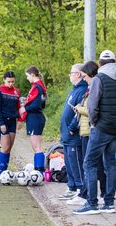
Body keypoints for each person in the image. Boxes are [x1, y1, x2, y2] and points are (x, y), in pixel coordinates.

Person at [74, 50, 116, 215]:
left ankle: (92, 203)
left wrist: (94, 122)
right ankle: (109, 203)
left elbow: (92, 106)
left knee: (89, 163)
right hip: (114, 129)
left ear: (100, 64)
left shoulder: (99, 78)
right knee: (111, 165)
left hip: (101, 128)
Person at [67, 61, 106, 206]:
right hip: (85, 131)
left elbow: (92, 110)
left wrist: (79, 108)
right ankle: (92, 194)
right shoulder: (90, 88)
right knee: (93, 164)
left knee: (92, 164)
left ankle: (91, 196)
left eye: (84, 76)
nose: (83, 79)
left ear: (90, 74)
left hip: (90, 131)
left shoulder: (94, 87)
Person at [58, 63, 88, 201]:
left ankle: (81, 189)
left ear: (77, 74)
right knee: (69, 162)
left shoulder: (82, 90)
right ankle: (71, 187)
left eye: (71, 72)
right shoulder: (74, 89)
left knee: (76, 162)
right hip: (66, 135)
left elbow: (79, 111)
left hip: (73, 134)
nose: (69, 75)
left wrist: (71, 128)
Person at [19, 66, 47, 173]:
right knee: (36, 146)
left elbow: (36, 105)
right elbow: (42, 104)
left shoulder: (36, 87)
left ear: (32, 75)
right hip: (37, 117)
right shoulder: (41, 87)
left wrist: (24, 108)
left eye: (27, 76)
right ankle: (38, 169)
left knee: (37, 147)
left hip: (35, 118)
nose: (27, 78)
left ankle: (40, 171)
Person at [0, 71, 21, 176]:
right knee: (5, 147)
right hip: (3, 120)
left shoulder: (16, 92)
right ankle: (1, 172)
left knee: (9, 147)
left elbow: (18, 107)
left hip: (12, 121)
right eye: (9, 81)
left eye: (13, 82)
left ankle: (5, 171)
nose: (11, 84)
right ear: (4, 80)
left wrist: (20, 120)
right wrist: (1, 123)